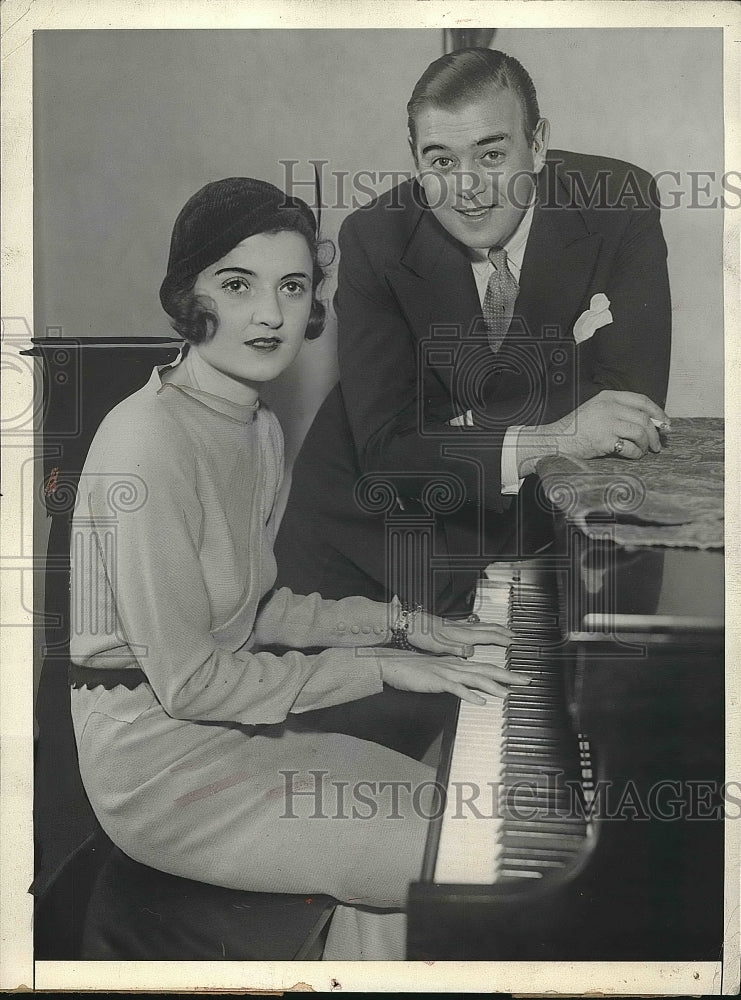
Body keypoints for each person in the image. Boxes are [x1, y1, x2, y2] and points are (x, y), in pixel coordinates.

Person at [68, 177, 526, 960]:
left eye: (292, 285)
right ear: (190, 294)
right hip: (160, 772)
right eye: (237, 284)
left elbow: (252, 610)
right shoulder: (144, 444)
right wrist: (380, 668)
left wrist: (404, 624)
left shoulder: (258, 425)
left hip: (231, 734)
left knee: (475, 818)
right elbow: (190, 681)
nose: (271, 314)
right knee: (472, 862)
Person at [275, 47, 672, 617]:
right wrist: (557, 435)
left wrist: (450, 429)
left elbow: (631, 414)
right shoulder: (375, 240)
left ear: (538, 145)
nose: (468, 187)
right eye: (440, 161)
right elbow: (388, 452)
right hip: (367, 547)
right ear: (415, 162)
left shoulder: (618, 205)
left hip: (528, 545)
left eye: (491, 154)